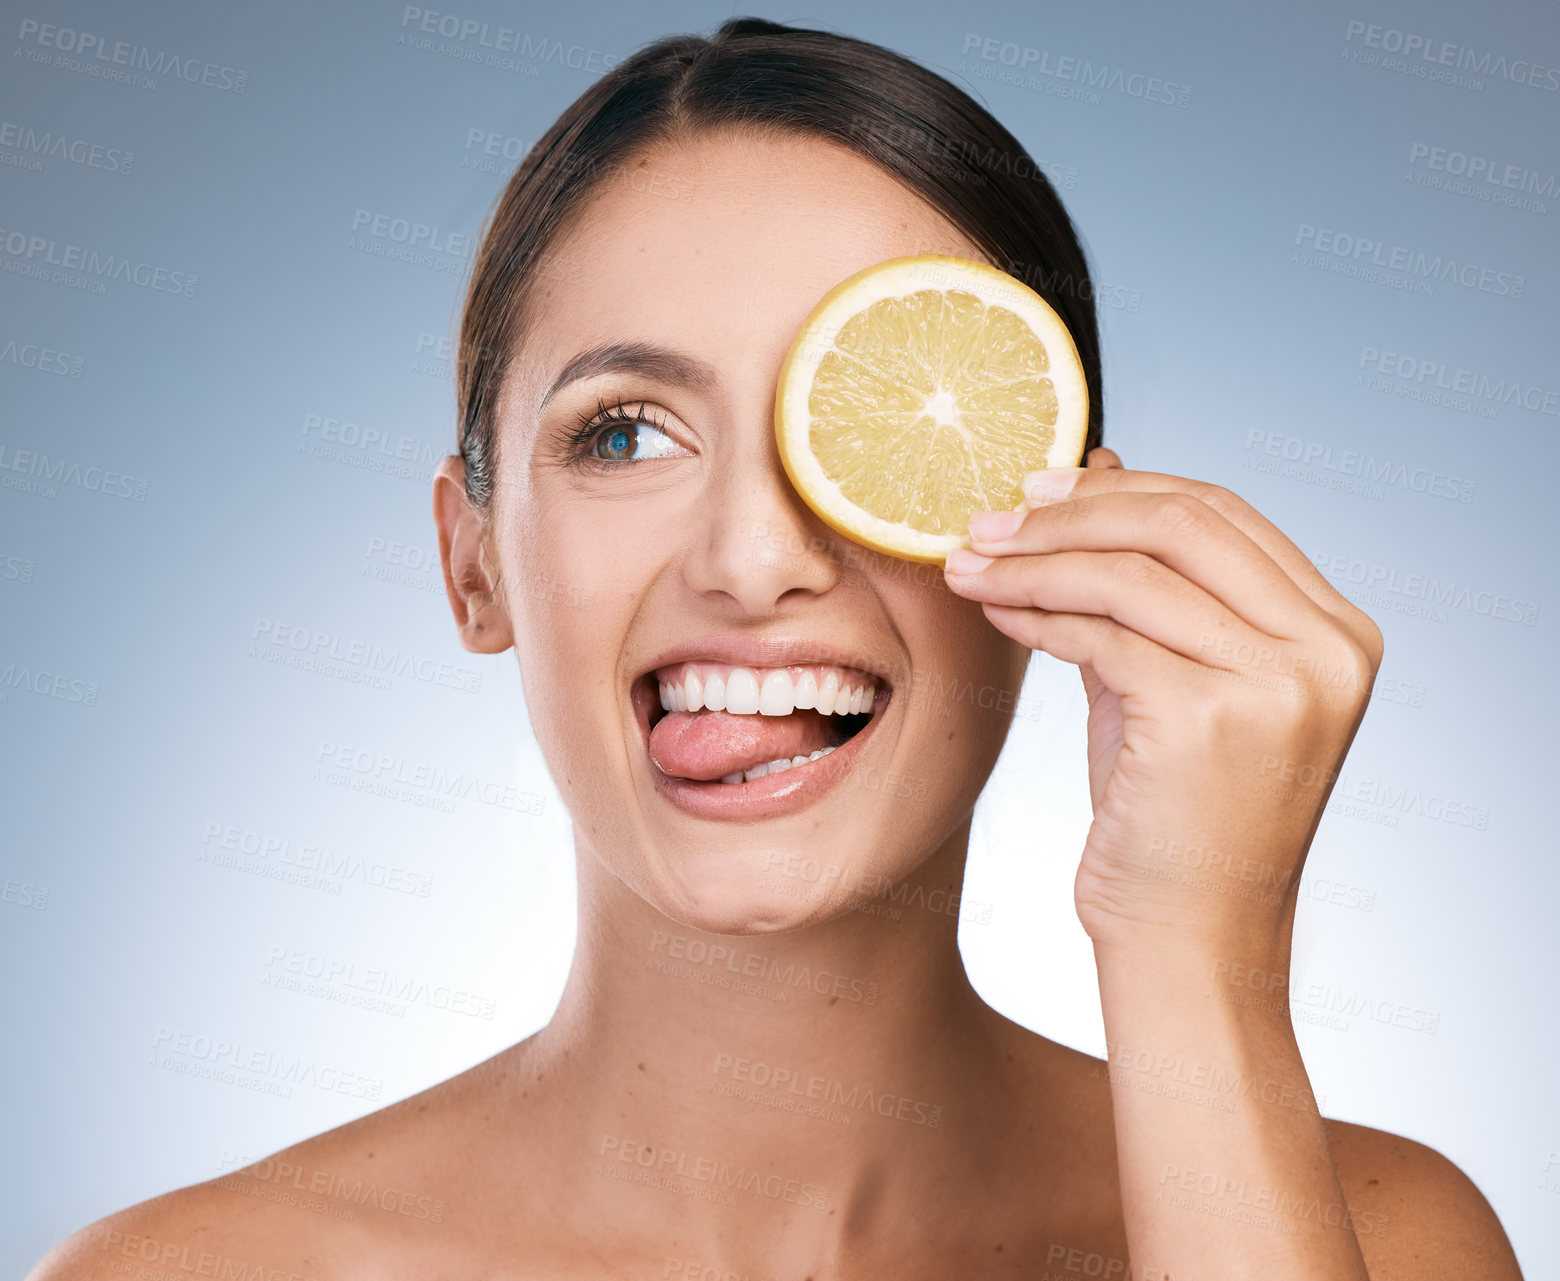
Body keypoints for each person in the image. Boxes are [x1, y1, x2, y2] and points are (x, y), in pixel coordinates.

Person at [31, 17, 1523, 1280]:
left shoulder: (1377, 1239)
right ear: (471, 563)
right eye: (624, 432)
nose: (754, 559)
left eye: (867, 428)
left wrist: (1201, 955)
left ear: (1076, 545)